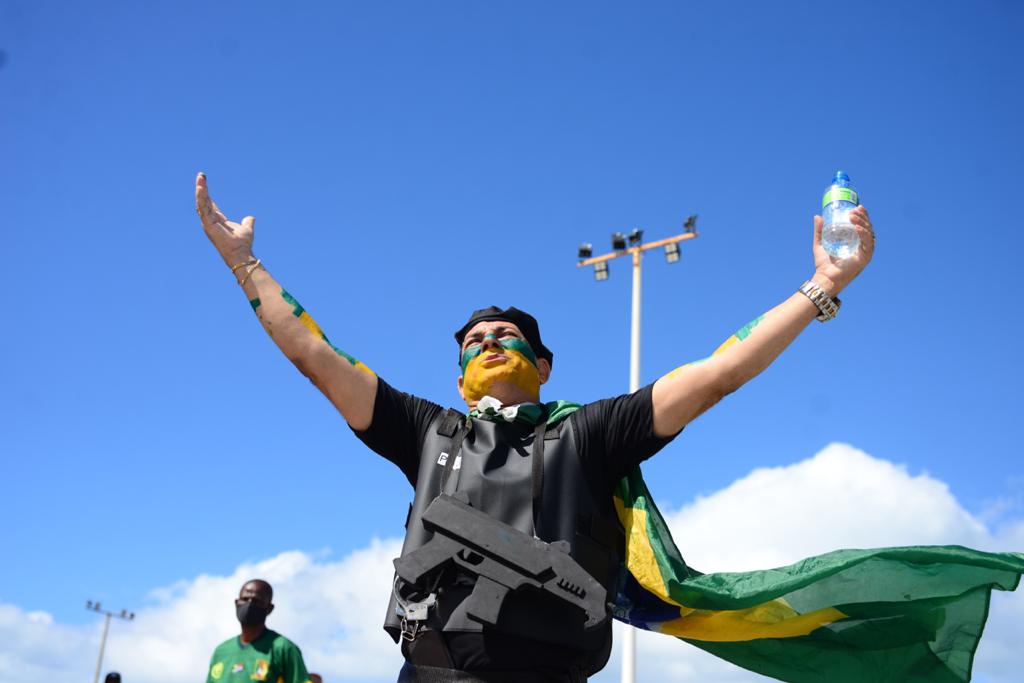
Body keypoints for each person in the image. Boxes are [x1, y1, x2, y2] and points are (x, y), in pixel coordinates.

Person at [195, 173, 874, 682]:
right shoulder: (425, 431)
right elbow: (317, 356)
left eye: (508, 336)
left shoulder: (591, 434)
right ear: (459, 373)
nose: (489, 342)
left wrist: (821, 285)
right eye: (474, 340)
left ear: (543, 365)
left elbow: (717, 372)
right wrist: (244, 264)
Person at [206, 579, 313, 683]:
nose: (249, 604)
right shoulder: (221, 652)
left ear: (269, 608)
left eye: (256, 601)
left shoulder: (282, 648)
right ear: (236, 603)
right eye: (245, 599)